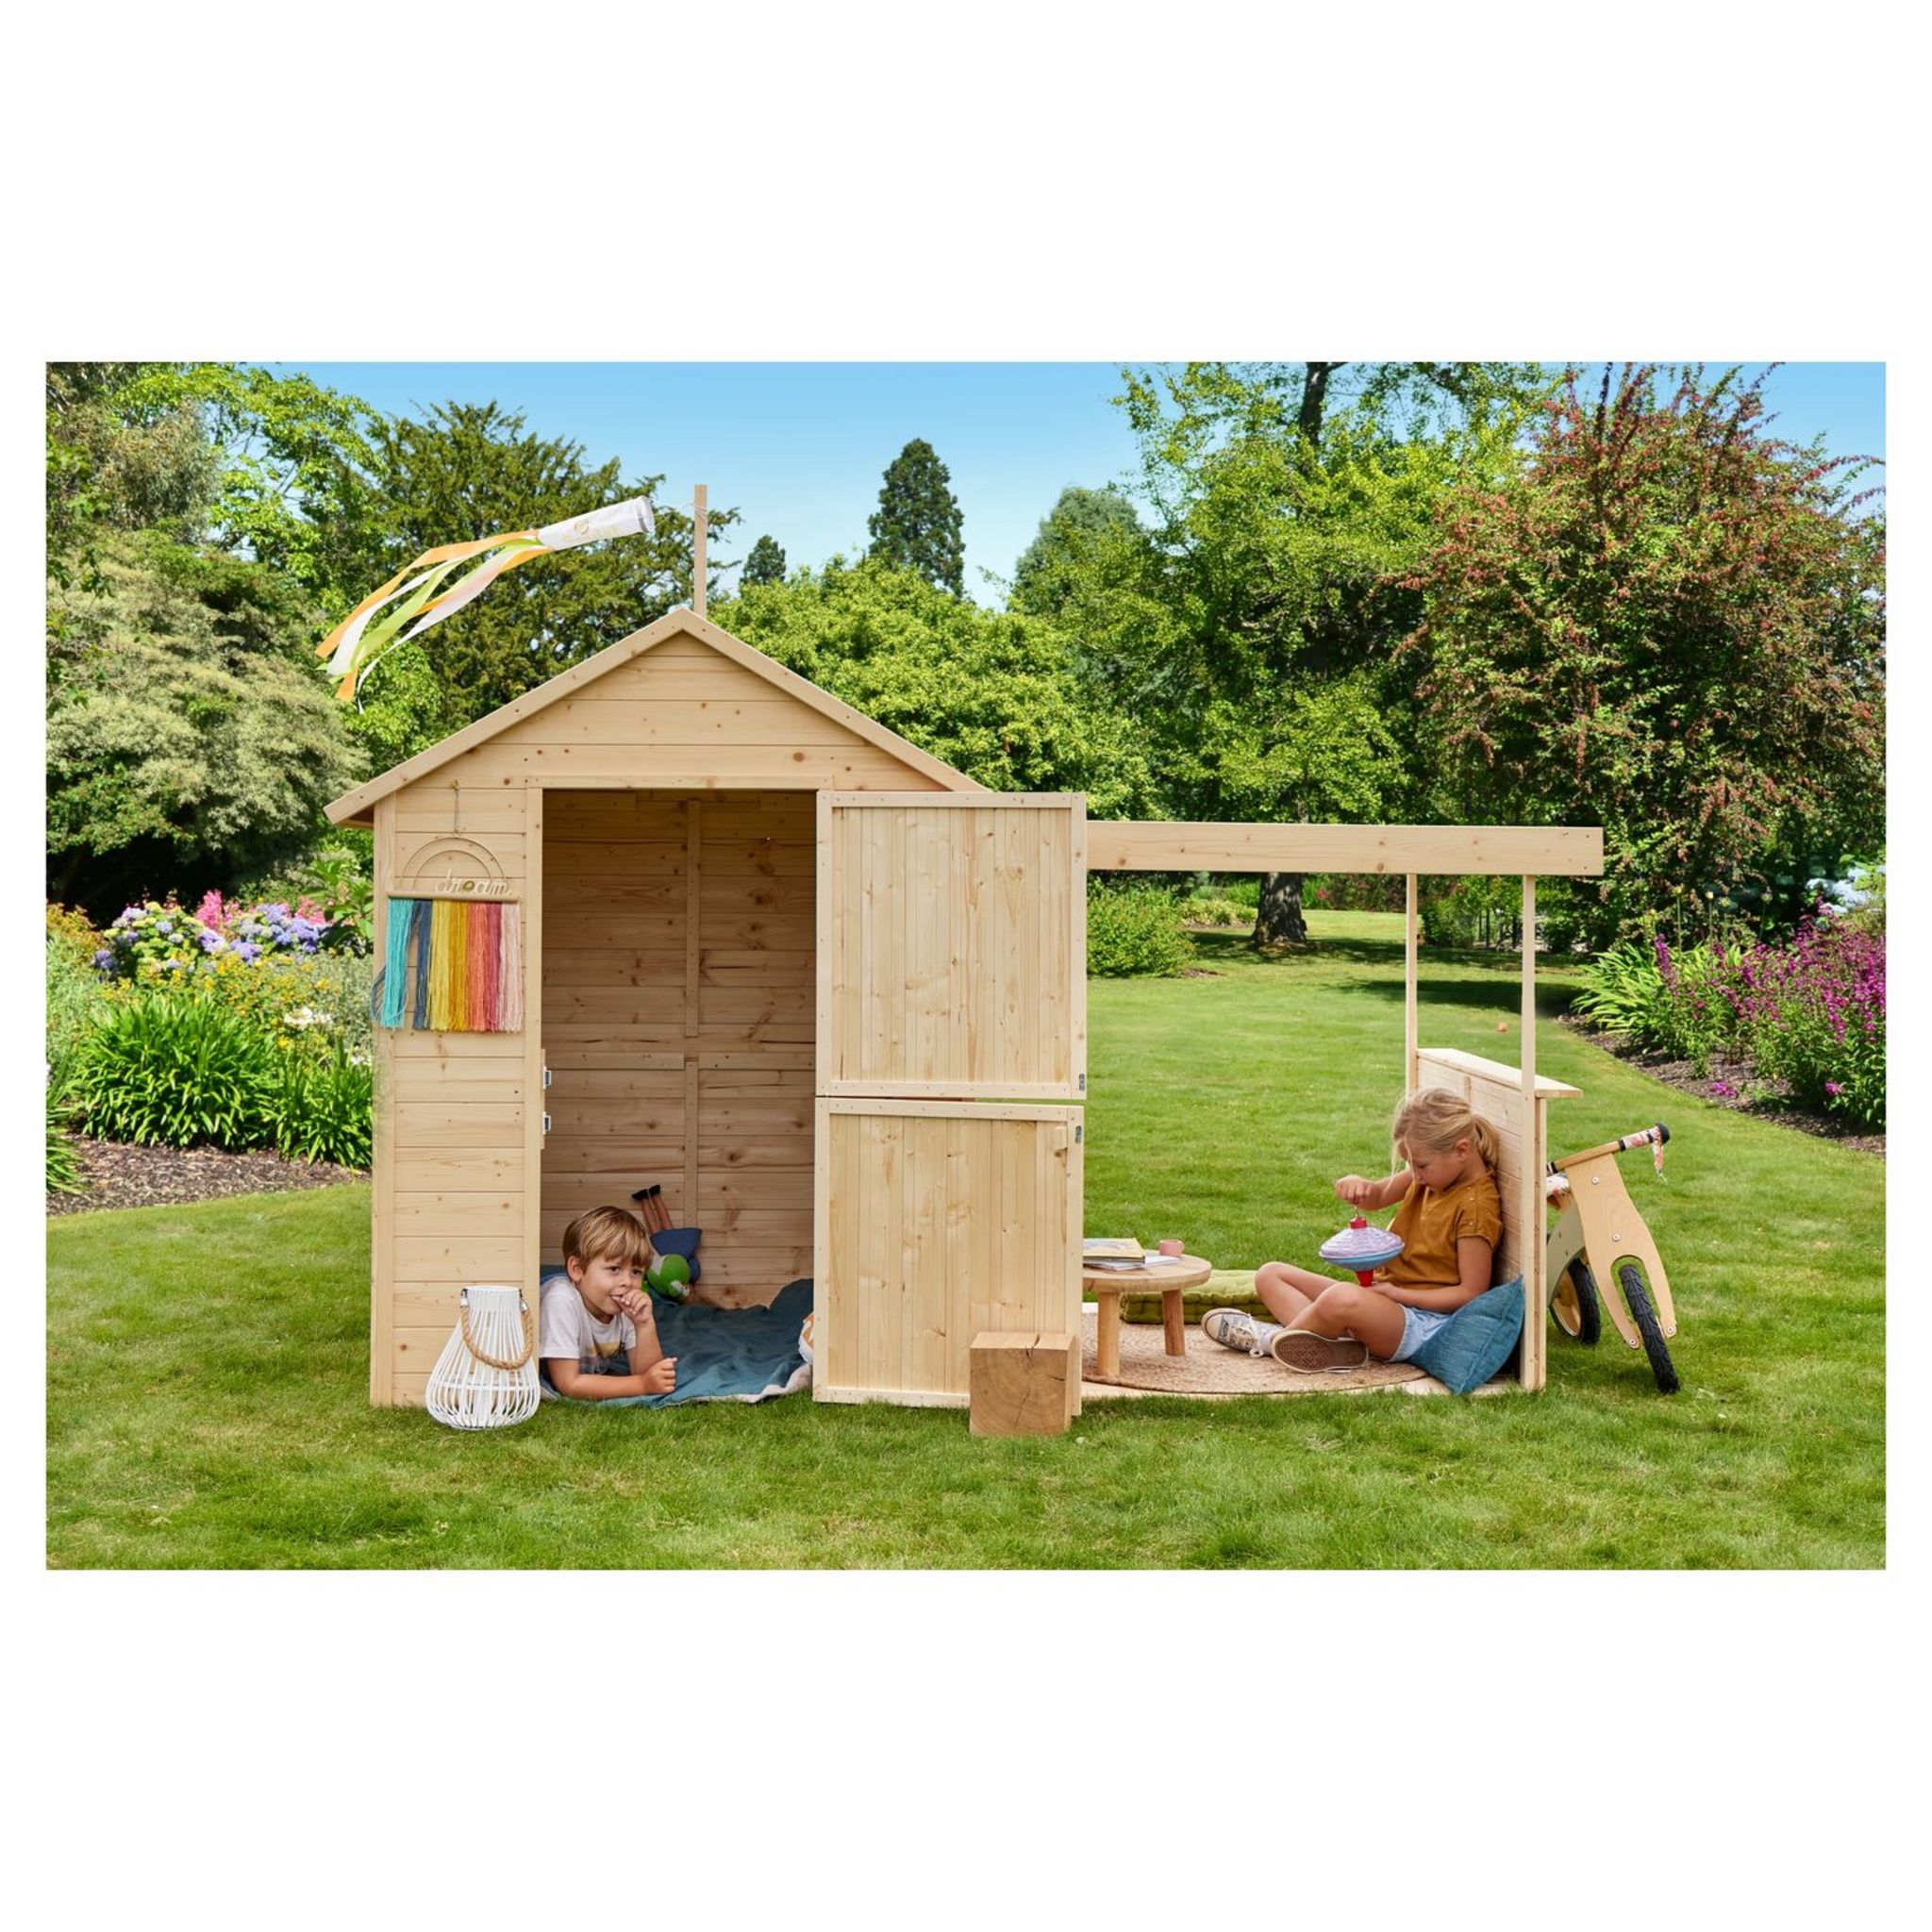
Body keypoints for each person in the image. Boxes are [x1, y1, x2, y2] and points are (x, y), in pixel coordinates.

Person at [1205, 1089, 1503, 1373]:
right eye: (1410, 1165)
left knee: (1340, 1297)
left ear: (1462, 1150)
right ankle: (1333, 1346)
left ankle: (1268, 1341)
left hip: (1423, 1324)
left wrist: (1399, 1294)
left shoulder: (1475, 1206)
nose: (1414, 1174)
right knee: (1271, 1274)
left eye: (1420, 1165)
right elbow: (1376, 1196)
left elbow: (1470, 1294)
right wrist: (1357, 1185)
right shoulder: (1429, 1174)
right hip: (1385, 1304)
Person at [539, 1205, 678, 1400]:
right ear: (577, 1269)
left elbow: (649, 1373)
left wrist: (644, 1324)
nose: (628, 1282)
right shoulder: (561, 1301)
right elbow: (568, 1384)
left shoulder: (624, 1303)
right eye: (614, 1269)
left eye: (636, 1272)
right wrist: (642, 1385)